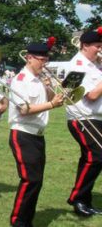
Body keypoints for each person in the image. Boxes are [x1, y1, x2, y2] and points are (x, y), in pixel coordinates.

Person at [8, 40, 64, 227]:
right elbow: (24, 109)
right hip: (23, 133)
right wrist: (51, 104)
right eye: (41, 60)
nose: (45, 64)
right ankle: (18, 221)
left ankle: (27, 219)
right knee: (29, 179)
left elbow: (47, 99)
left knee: (36, 181)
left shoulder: (40, 78)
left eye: (46, 60)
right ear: (29, 58)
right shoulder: (20, 80)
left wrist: (49, 89)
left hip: (38, 135)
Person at [65, 28, 102, 216]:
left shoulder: (95, 64)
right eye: (97, 47)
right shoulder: (78, 65)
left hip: (96, 118)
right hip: (82, 118)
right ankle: (77, 197)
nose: (100, 50)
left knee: (90, 158)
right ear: (85, 45)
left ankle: (84, 201)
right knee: (97, 156)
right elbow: (93, 95)